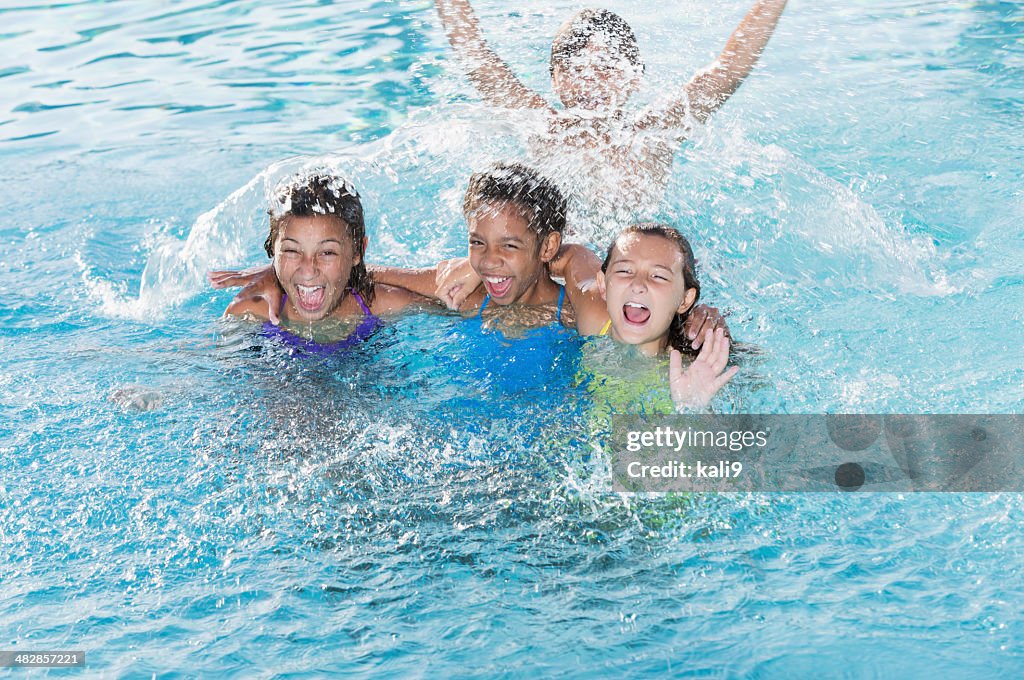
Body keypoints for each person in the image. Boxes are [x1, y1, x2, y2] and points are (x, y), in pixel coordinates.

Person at [433, 1, 788, 215]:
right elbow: (476, 57)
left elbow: (730, 67)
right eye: (573, 70)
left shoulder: (656, 130)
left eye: (606, 68)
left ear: (635, 78)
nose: (590, 83)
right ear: (554, 79)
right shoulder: (542, 128)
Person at [220, 172, 429, 352]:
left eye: (327, 252)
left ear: (357, 251)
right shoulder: (251, 311)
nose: (309, 270)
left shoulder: (378, 303)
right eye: (292, 251)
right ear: (273, 251)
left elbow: (458, 303)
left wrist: (371, 274)